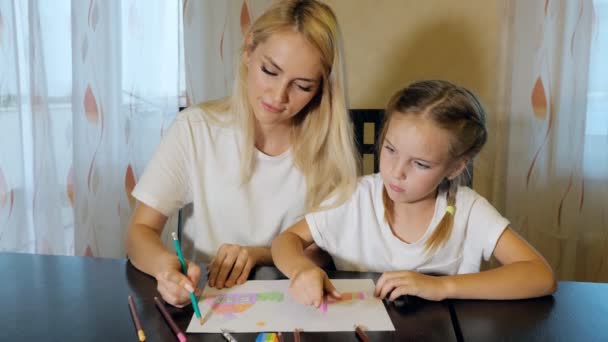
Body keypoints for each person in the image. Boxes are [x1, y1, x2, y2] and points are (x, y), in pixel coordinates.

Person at [125, 0, 359, 307]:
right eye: (270, 71)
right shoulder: (196, 130)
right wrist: (166, 269)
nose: (278, 96)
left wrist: (257, 254)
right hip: (210, 304)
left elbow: (326, 253)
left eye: (302, 86)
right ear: (248, 51)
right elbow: (140, 231)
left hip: (294, 307)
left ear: (321, 88)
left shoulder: (330, 150)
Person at [271, 80, 557, 307]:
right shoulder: (354, 197)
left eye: (420, 164)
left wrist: (441, 286)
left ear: (455, 168)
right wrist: (300, 270)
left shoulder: (468, 210)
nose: (397, 172)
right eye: (390, 150)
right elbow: (287, 240)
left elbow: (540, 275)